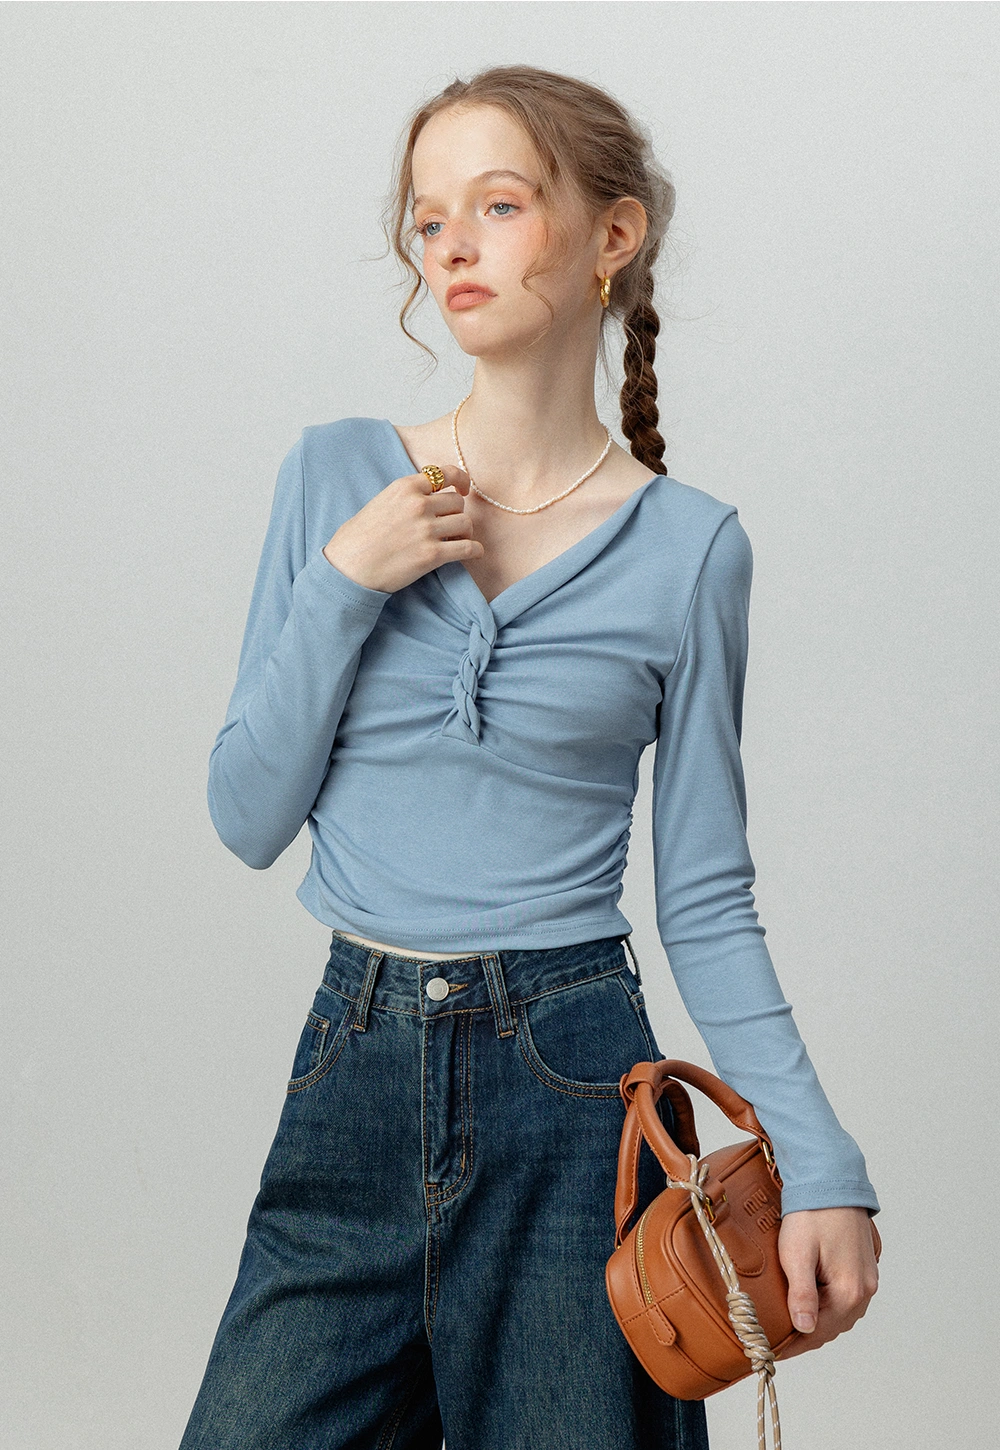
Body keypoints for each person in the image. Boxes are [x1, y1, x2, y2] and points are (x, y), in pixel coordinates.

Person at [179, 64, 879, 1450]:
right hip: (355, 1066)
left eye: (498, 205)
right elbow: (246, 815)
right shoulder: (335, 478)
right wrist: (345, 581)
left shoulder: (691, 551)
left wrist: (821, 1160)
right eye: (429, 217)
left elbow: (706, 899)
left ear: (613, 234)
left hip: (575, 1089)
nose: (452, 244)